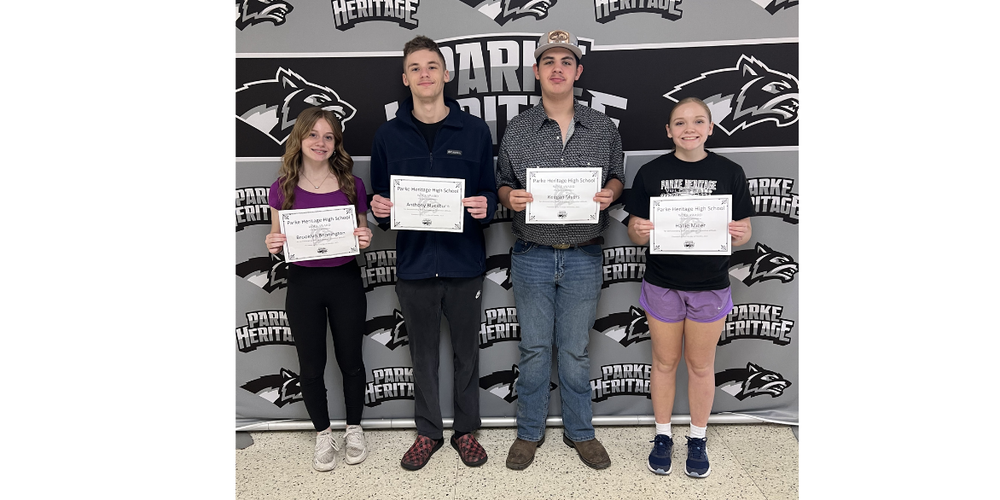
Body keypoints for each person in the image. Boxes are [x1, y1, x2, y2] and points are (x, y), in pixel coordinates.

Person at [495, 29, 624, 471]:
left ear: (577, 71)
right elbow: (504, 181)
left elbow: (617, 175)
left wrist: (610, 190)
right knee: (533, 348)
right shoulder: (517, 129)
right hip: (531, 252)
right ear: (536, 71)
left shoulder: (603, 127)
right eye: (549, 61)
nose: (557, 69)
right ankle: (528, 433)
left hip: (585, 254)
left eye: (566, 62)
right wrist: (507, 196)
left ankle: (580, 432)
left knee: (573, 350)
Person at [369, 35, 498, 471]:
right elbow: (382, 203)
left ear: (447, 75)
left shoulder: (475, 131)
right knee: (422, 355)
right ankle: (428, 432)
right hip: (415, 265)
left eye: (432, 66)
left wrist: (486, 205)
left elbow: (488, 193)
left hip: (465, 264)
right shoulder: (388, 135)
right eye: (416, 68)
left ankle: (466, 432)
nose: (425, 74)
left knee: (467, 353)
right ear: (405, 79)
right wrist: (379, 208)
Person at [624, 97, 755, 478]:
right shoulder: (651, 172)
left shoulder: (730, 171)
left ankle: (698, 437)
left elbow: (744, 233)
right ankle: (662, 435)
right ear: (668, 131)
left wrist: (742, 233)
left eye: (698, 121)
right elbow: (634, 230)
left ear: (710, 128)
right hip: (663, 282)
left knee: (701, 366)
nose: (689, 129)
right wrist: (639, 230)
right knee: (664, 363)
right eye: (680, 123)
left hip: (710, 285)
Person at [264, 107, 375, 471]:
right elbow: (276, 236)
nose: (321, 142)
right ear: (300, 138)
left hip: (344, 281)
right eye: (313, 135)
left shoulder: (351, 184)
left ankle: (354, 428)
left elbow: (361, 239)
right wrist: (273, 243)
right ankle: (323, 432)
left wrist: (365, 237)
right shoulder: (282, 188)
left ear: (336, 143)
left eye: (329, 136)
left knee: (351, 362)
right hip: (303, 285)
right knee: (311, 366)